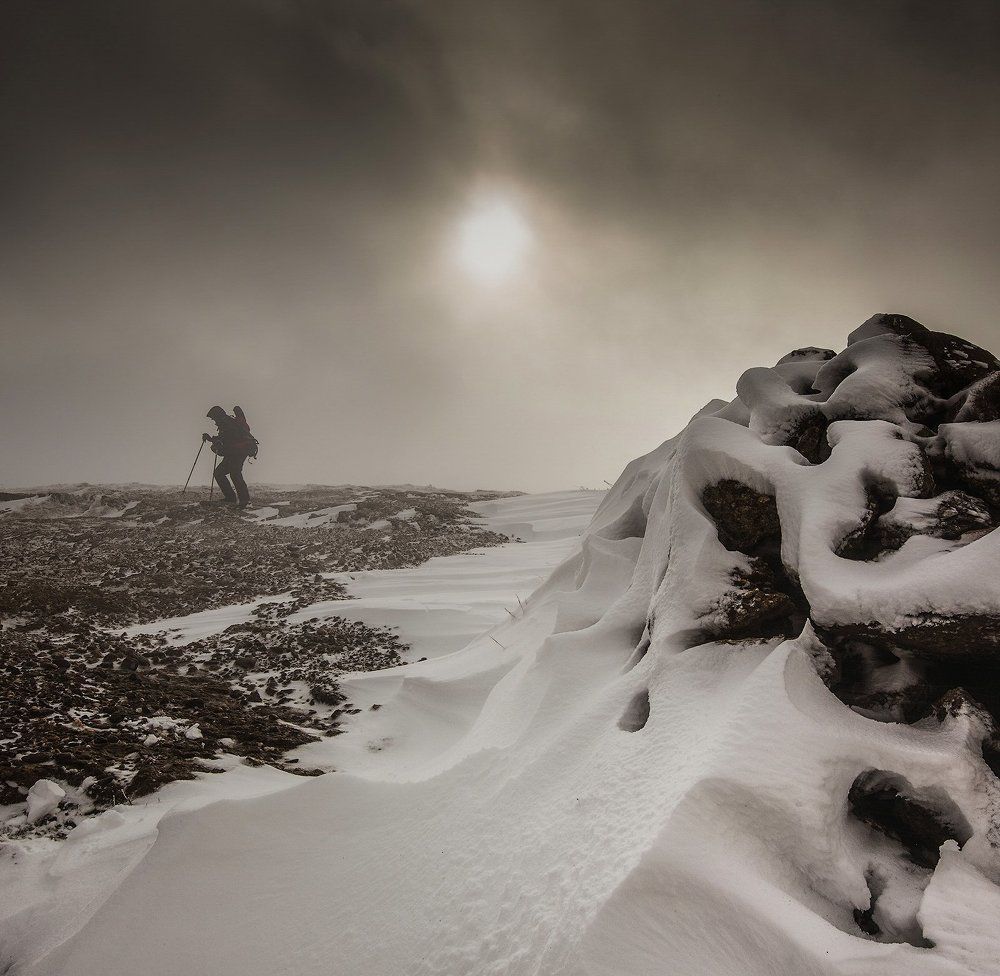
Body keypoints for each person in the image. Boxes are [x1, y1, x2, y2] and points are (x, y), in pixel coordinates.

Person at [203, 405, 256, 508]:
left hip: (238, 452)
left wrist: (214, 441)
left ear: (218, 416)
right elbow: (225, 439)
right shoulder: (227, 422)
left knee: (234, 473)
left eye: (213, 418)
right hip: (235, 452)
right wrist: (213, 440)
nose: (214, 421)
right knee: (220, 473)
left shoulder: (227, 423)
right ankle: (233, 498)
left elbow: (228, 439)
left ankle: (243, 501)